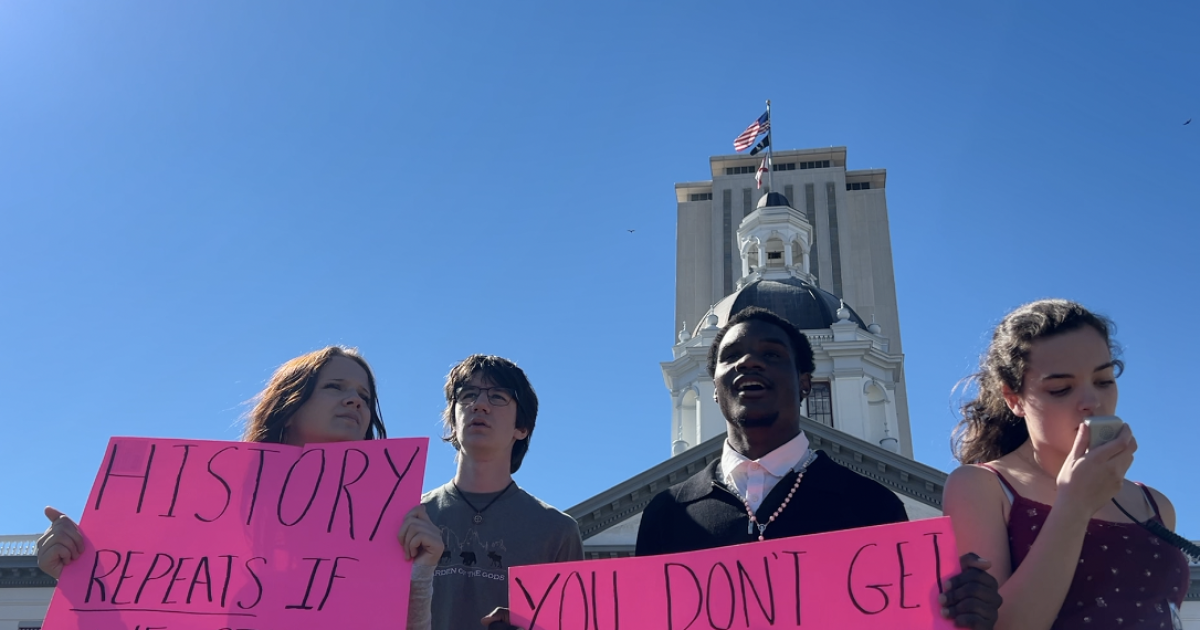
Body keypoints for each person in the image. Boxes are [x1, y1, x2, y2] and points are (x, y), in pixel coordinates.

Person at [636, 307, 1003, 629]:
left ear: (805, 383)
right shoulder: (667, 514)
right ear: (713, 388)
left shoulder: (872, 505)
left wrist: (959, 610)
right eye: (731, 356)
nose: (749, 362)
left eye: (772, 354)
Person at [35, 346, 443, 630]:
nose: (356, 402)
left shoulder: (392, 524)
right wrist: (78, 580)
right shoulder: (208, 502)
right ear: (290, 404)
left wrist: (418, 582)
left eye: (364, 396)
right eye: (334, 387)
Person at [943, 299, 1189, 629]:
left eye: (1104, 381)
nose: (1092, 402)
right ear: (1014, 399)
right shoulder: (981, 486)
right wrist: (1074, 504)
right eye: (1061, 389)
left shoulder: (1155, 505)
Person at [421, 354, 583, 630]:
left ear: (522, 428)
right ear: (452, 419)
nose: (479, 405)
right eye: (468, 394)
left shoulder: (557, 532)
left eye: (497, 397)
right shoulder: (412, 516)